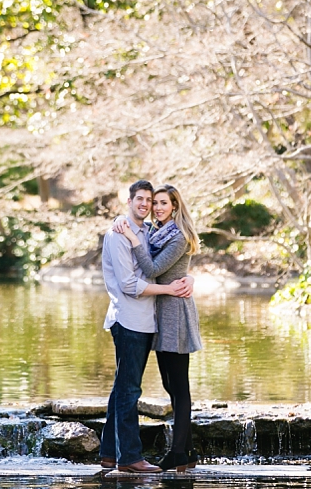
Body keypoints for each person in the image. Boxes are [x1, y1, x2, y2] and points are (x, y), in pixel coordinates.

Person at [99, 180, 194, 474]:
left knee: (128, 389)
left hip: (153, 319)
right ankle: (129, 458)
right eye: (143, 200)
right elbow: (131, 283)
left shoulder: (147, 232)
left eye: (153, 201)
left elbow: (164, 264)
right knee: (129, 390)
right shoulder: (122, 234)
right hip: (129, 319)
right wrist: (170, 289)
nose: (149, 205)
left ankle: (112, 454)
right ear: (129, 201)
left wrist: (189, 278)